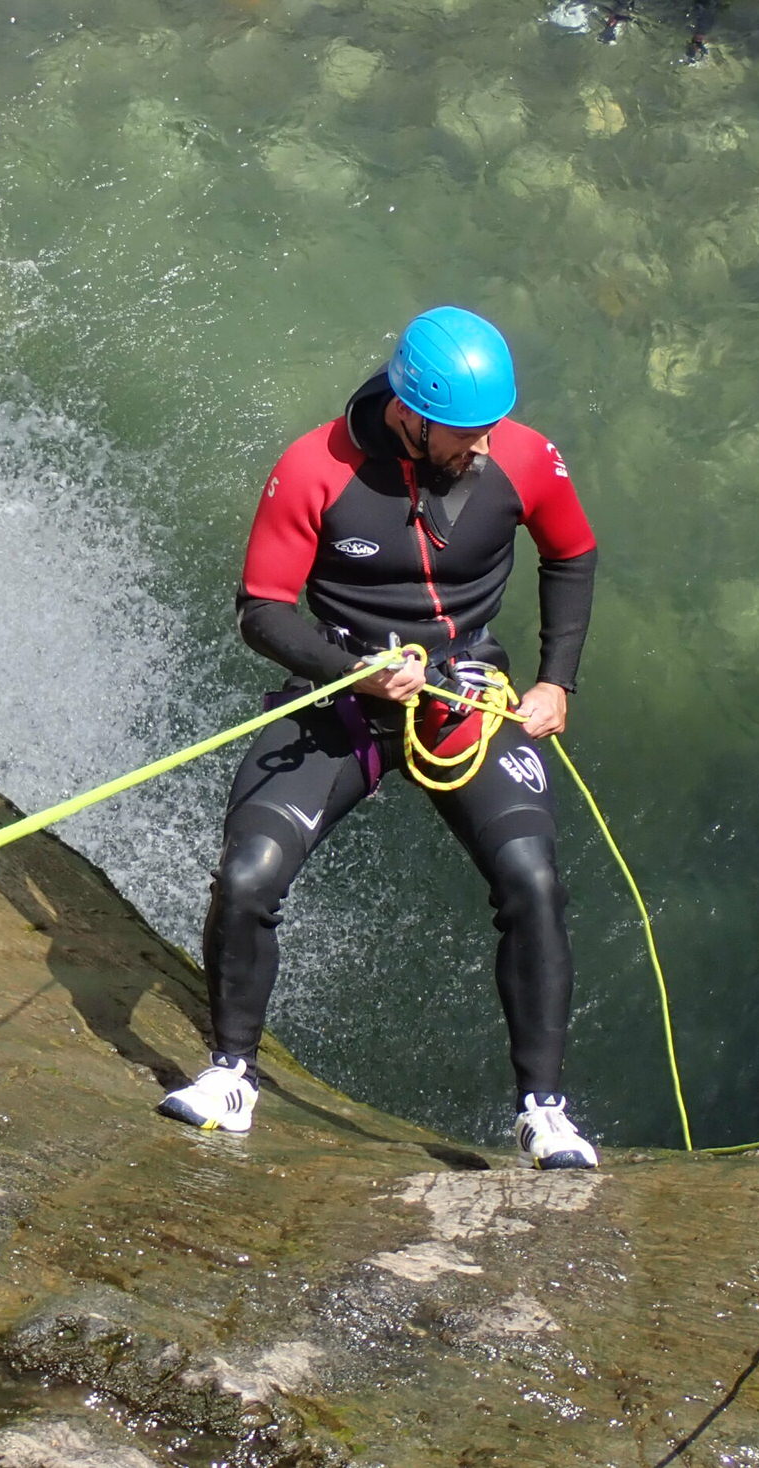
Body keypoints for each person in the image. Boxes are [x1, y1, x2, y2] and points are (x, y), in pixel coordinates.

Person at [158, 307, 602, 1170]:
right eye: (467, 433)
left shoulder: (520, 455)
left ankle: (545, 1114)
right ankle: (230, 1077)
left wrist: (556, 680)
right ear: (411, 411)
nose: (484, 446)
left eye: (490, 429)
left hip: (465, 694)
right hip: (344, 691)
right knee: (248, 875)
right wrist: (352, 671)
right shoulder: (315, 467)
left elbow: (572, 553)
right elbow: (262, 609)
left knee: (533, 881)